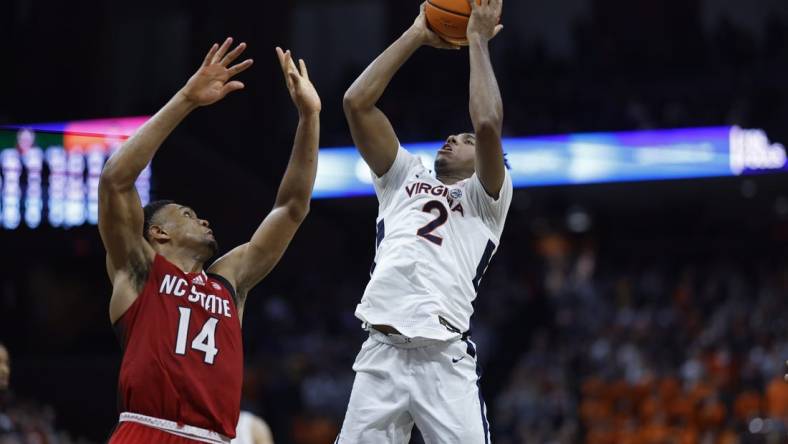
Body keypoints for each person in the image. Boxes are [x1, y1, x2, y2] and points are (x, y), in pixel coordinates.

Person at [100, 38, 321, 443]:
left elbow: (291, 208)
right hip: (148, 428)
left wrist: (310, 117)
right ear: (157, 233)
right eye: (186, 214)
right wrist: (187, 98)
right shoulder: (138, 268)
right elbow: (116, 180)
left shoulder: (229, 281)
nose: (203, 218)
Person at [338, 0, 509, 442]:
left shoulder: (488, 198)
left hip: (444, 357)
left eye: (465, 140)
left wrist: (475, 38)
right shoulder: (403, 176)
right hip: (381, 354)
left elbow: (488, 123)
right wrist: (416, 33)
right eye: (455, 135)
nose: (454, 137)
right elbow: (357, 103)